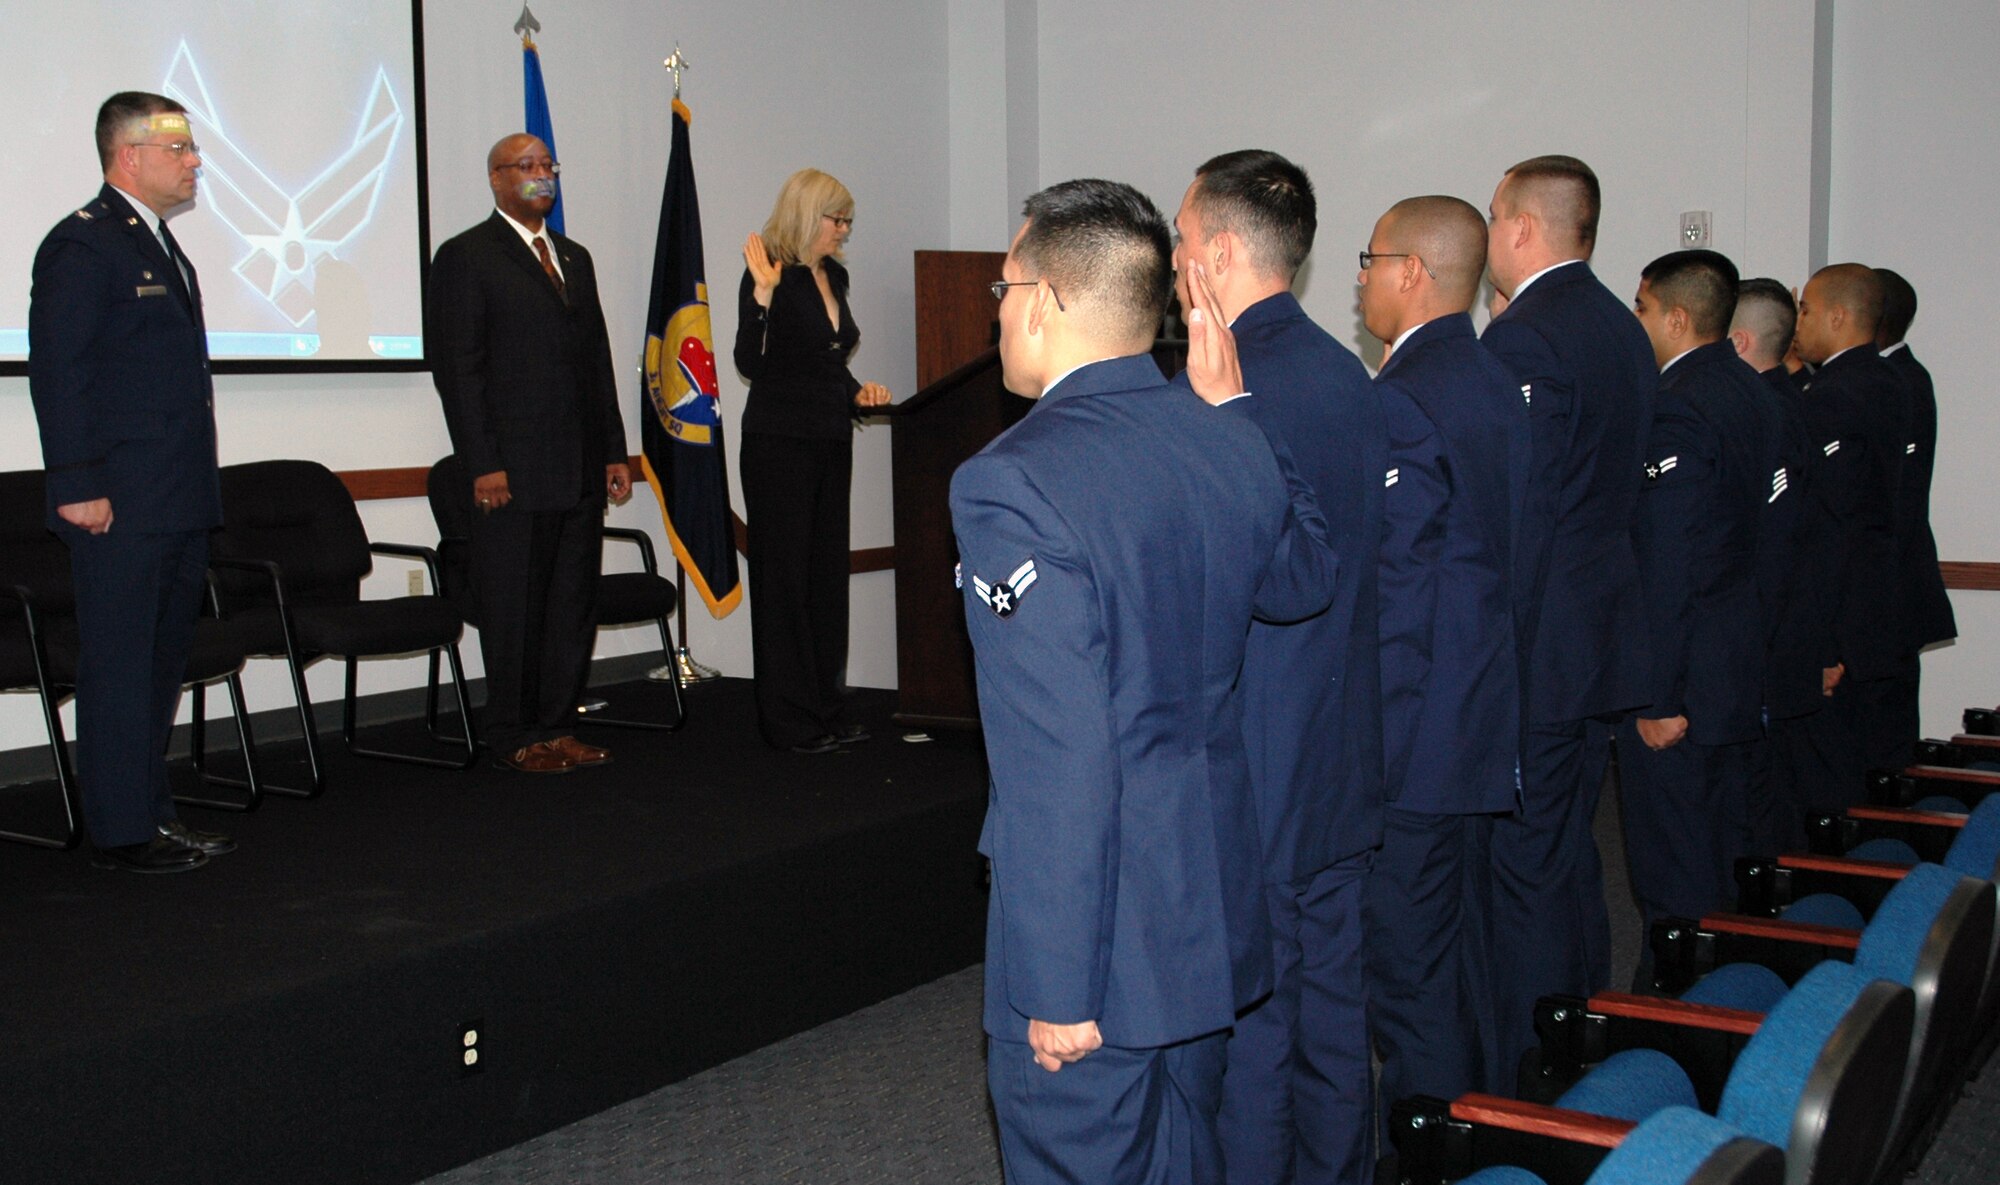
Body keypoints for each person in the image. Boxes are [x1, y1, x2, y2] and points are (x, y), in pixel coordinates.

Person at [954, 178, 1335, 1185]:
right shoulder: (1218, 432)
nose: (995, 308)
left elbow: (1059, 754)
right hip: (1202, 909)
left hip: (1101, 944)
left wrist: (1058, 983)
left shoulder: (1010, 480)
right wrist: (1237, 414)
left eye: (1000, 284)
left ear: (1038, 299)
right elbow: (1304, 581)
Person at [1164, 150, 1383, 1185]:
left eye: (1176, 237)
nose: (1168, 261)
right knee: (1333, 1030)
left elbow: (1253, 578)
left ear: (1216, 251)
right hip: (1337, 754)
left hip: (1257, 769)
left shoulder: (1226, 389)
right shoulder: (1344, 373)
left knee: (1254, 1043)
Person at [1479, 154, 1657, 1086]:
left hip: (1542, 646)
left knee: (1527, 865)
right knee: (1568, 848)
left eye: (1495, 216)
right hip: (1597, 638)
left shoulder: (1527, 339)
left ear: (1520, 226)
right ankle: (1588, 1015)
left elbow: (1522, 513)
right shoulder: (1623, 331)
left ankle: (1534, 1061)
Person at [26, 92, 234, 873]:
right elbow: (62, 372)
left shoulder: (157, 245)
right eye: (178, 149)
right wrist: (77, 481)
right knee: (119, 668)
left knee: (157, 665)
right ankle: (122, 830)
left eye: (191, 149)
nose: (194, 162)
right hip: (117, 502)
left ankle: (154, 814)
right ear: (128, 156)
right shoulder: (84, 246)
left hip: (173, 496)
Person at [1357, 196, 1528, 1126]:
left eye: (1370, 259)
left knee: (1410, 968)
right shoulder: (1493, 376)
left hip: (1418, 735)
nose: (1360, 278)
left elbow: (1398, 596)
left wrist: (1367, 748)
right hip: (1478, 718)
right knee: (1463, 952)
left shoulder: (1405, 399)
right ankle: (1481, 1123)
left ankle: (1427, 1145)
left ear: (1412, 271)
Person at [429, 133, 629, 774]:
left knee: (570, 604)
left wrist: (614, 452)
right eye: (526, 167)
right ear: (495, 179)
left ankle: (559, 725)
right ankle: (515, 734)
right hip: (509, 473)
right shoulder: (466, 256)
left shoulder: (574, 256)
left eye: (548, 166)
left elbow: (595, 362)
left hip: (577, 469)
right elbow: (459, 371)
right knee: (515, 606)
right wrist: (483, 462)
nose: (541, 176)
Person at [1621, 250, 1773, 945]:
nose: (1637, 321)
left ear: (1678, 317)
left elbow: (1670, 558)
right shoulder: (1755, 392)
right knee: (1724, 851)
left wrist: (1658, 698)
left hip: (1686, 681)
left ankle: (1680, 1023)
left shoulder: (1677, 406)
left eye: (1644, 308)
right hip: (1738, 663)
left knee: (1677, 871)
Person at [734, 169, 891, 754]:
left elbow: (826, 361)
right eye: (837, 218)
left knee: (826, 576)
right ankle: (789, 720)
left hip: (829, 438)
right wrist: (761, 296)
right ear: (807, 214)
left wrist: (856, 391)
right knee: (784, 581)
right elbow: (752, 360)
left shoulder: (834, 275)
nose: (844, 230)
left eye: (848, 219)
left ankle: (827, 704)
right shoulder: (771, 270)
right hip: (779, 443)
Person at [1789, 264, 1906, 809]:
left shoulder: (1839, 394)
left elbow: (1832, 525)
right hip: (1875, 608)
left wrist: (1827, 644)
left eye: (1806, 309)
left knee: (1832, 781)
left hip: (1846, 618)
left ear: (1838, 316)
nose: (1798, 322)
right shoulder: (1882, 380)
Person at [1729, 279, 1827, 851]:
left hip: (1771, 639)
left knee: (1762, 805)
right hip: (1776, 634)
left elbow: (1775, 545)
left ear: (1738, 342)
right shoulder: (1782, 400)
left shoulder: (1771, 412)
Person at [1874, 268, 1956, 766]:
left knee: (1885, 738)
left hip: (1890, 587)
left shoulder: (1898, 381)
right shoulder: (1896, 377)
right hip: (1889, 587)